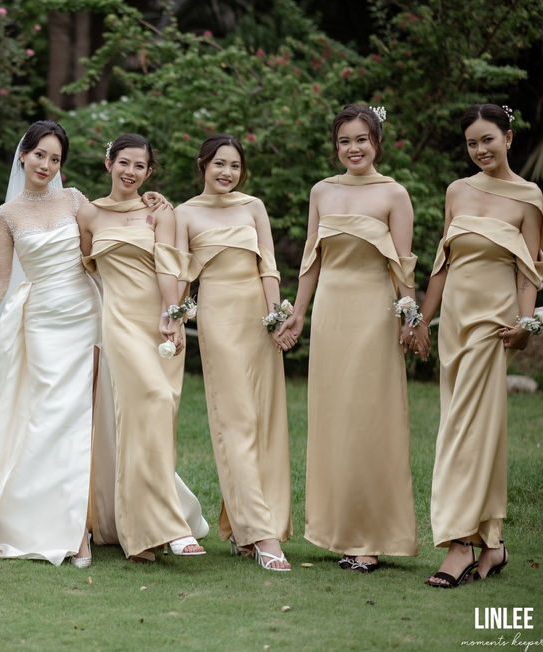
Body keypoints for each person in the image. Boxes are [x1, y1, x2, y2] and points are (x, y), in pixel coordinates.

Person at [279, 104, 419, 572]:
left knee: (370, 420)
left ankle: (371, 539)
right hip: (331, 313)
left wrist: (409, 316)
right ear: (335, 146)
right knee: (335, 420)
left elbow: (403, 264)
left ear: (376, 141)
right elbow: (312, 258)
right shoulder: (322, 191)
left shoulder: (394, 194)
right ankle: (340, 531)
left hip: (374, 313)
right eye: (345, 141)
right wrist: (299, 313)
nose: (353, 148)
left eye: (362, 139)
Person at [411, 104, 543, 588]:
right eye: (472, 143)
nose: (480, 150)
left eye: (488, 139)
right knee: (471, 426)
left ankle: (459, 543)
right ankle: (493, 545)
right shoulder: (457, 191)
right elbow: (442, 263)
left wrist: (526, 324)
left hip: (494, 323)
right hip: (455, 324)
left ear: (508, 138)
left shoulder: (529, 198)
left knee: (461, 430)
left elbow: (529, 270)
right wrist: (422, 320)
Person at [0, 121, 99, 566]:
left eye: (55, 158)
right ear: (23, 155)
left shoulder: (75, 200)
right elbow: (1, 278)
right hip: (42, 321)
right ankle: (45, 520)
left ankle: (79, 529)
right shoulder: (7, 215)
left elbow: (105, 235)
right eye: (40, 154)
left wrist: (150, 205)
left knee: (80, 419)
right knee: (48, 418)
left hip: (85, 315)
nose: (46, 164)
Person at [78, 133, 207, 562]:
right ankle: (171, 527)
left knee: (151, 419)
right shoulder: (89, 214)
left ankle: (139, 535)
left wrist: (171, 315)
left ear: (149, 172)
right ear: (109, 163)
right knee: (151, 401)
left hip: (159, 322)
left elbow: (168, 265)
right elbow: (86, 268)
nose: (130, 172)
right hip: (119, 322)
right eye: (124, 163)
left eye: (140, 166)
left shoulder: (159, 212)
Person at [174, 134, 292, 571]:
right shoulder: (185, 213)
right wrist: (174, 319)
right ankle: (262, 535)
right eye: (219, 164)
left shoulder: (253, 207)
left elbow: (268, 265)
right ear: (203, 165)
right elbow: (180, 274)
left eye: (235, 166)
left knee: (264, 421)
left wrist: (275, 317)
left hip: (257, 317)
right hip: (218, 316)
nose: (227, 172)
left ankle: (245, 526)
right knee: (235, 419)